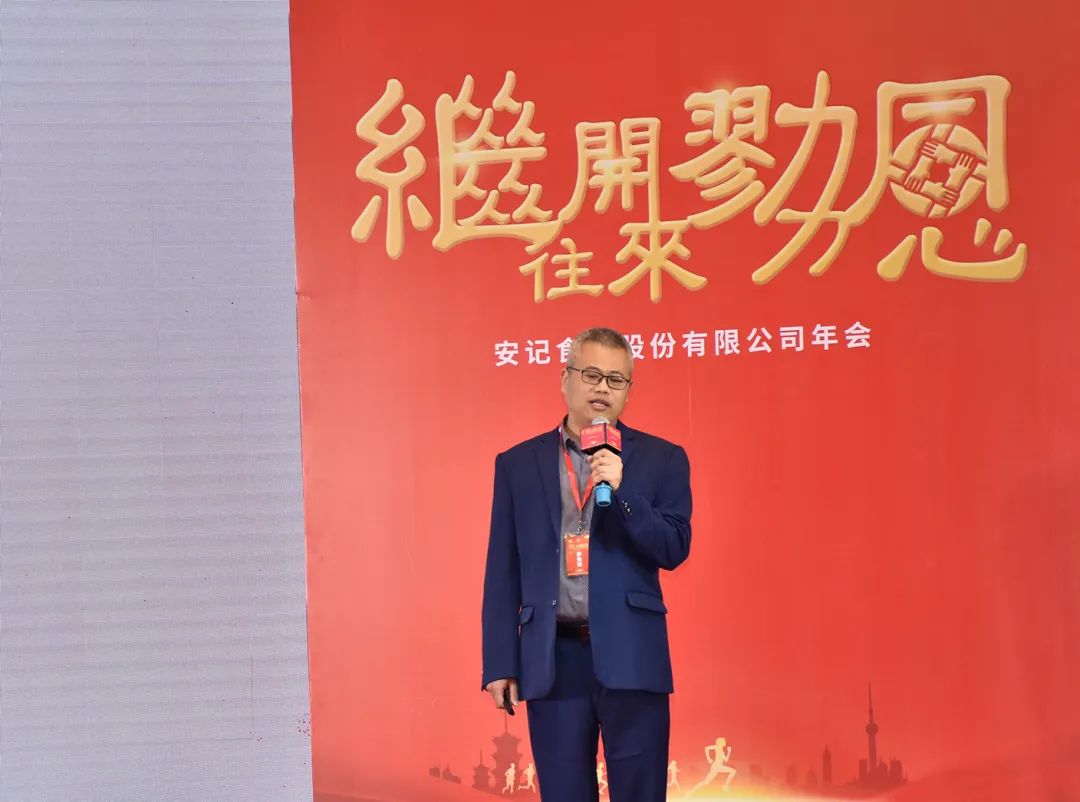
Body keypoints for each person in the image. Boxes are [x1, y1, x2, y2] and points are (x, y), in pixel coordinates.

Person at [481, 327, 693, 802]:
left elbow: (675, 547)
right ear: (565, 379)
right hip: (553, 659)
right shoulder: (517, 464)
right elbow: (502, 570)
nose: (602, 388)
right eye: (591, 375)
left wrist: (623, 492)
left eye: (616, 380)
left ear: (628, 391)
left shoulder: (662, 459)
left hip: (632, 655)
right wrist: (500, 662)